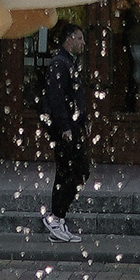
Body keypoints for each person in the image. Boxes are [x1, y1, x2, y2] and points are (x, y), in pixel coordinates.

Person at [38, 22, 90, 244]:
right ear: (68, 39)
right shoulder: (60, 63)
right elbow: (56, 98)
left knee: (67, 173)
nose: (83, 43)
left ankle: (58, 219)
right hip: (66, 129)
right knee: (77, 171)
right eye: (79, 38)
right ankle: (56, 217)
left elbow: (75, 96)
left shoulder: (68, 62)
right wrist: (65, 127)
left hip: (71, 126)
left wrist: (84, 120)